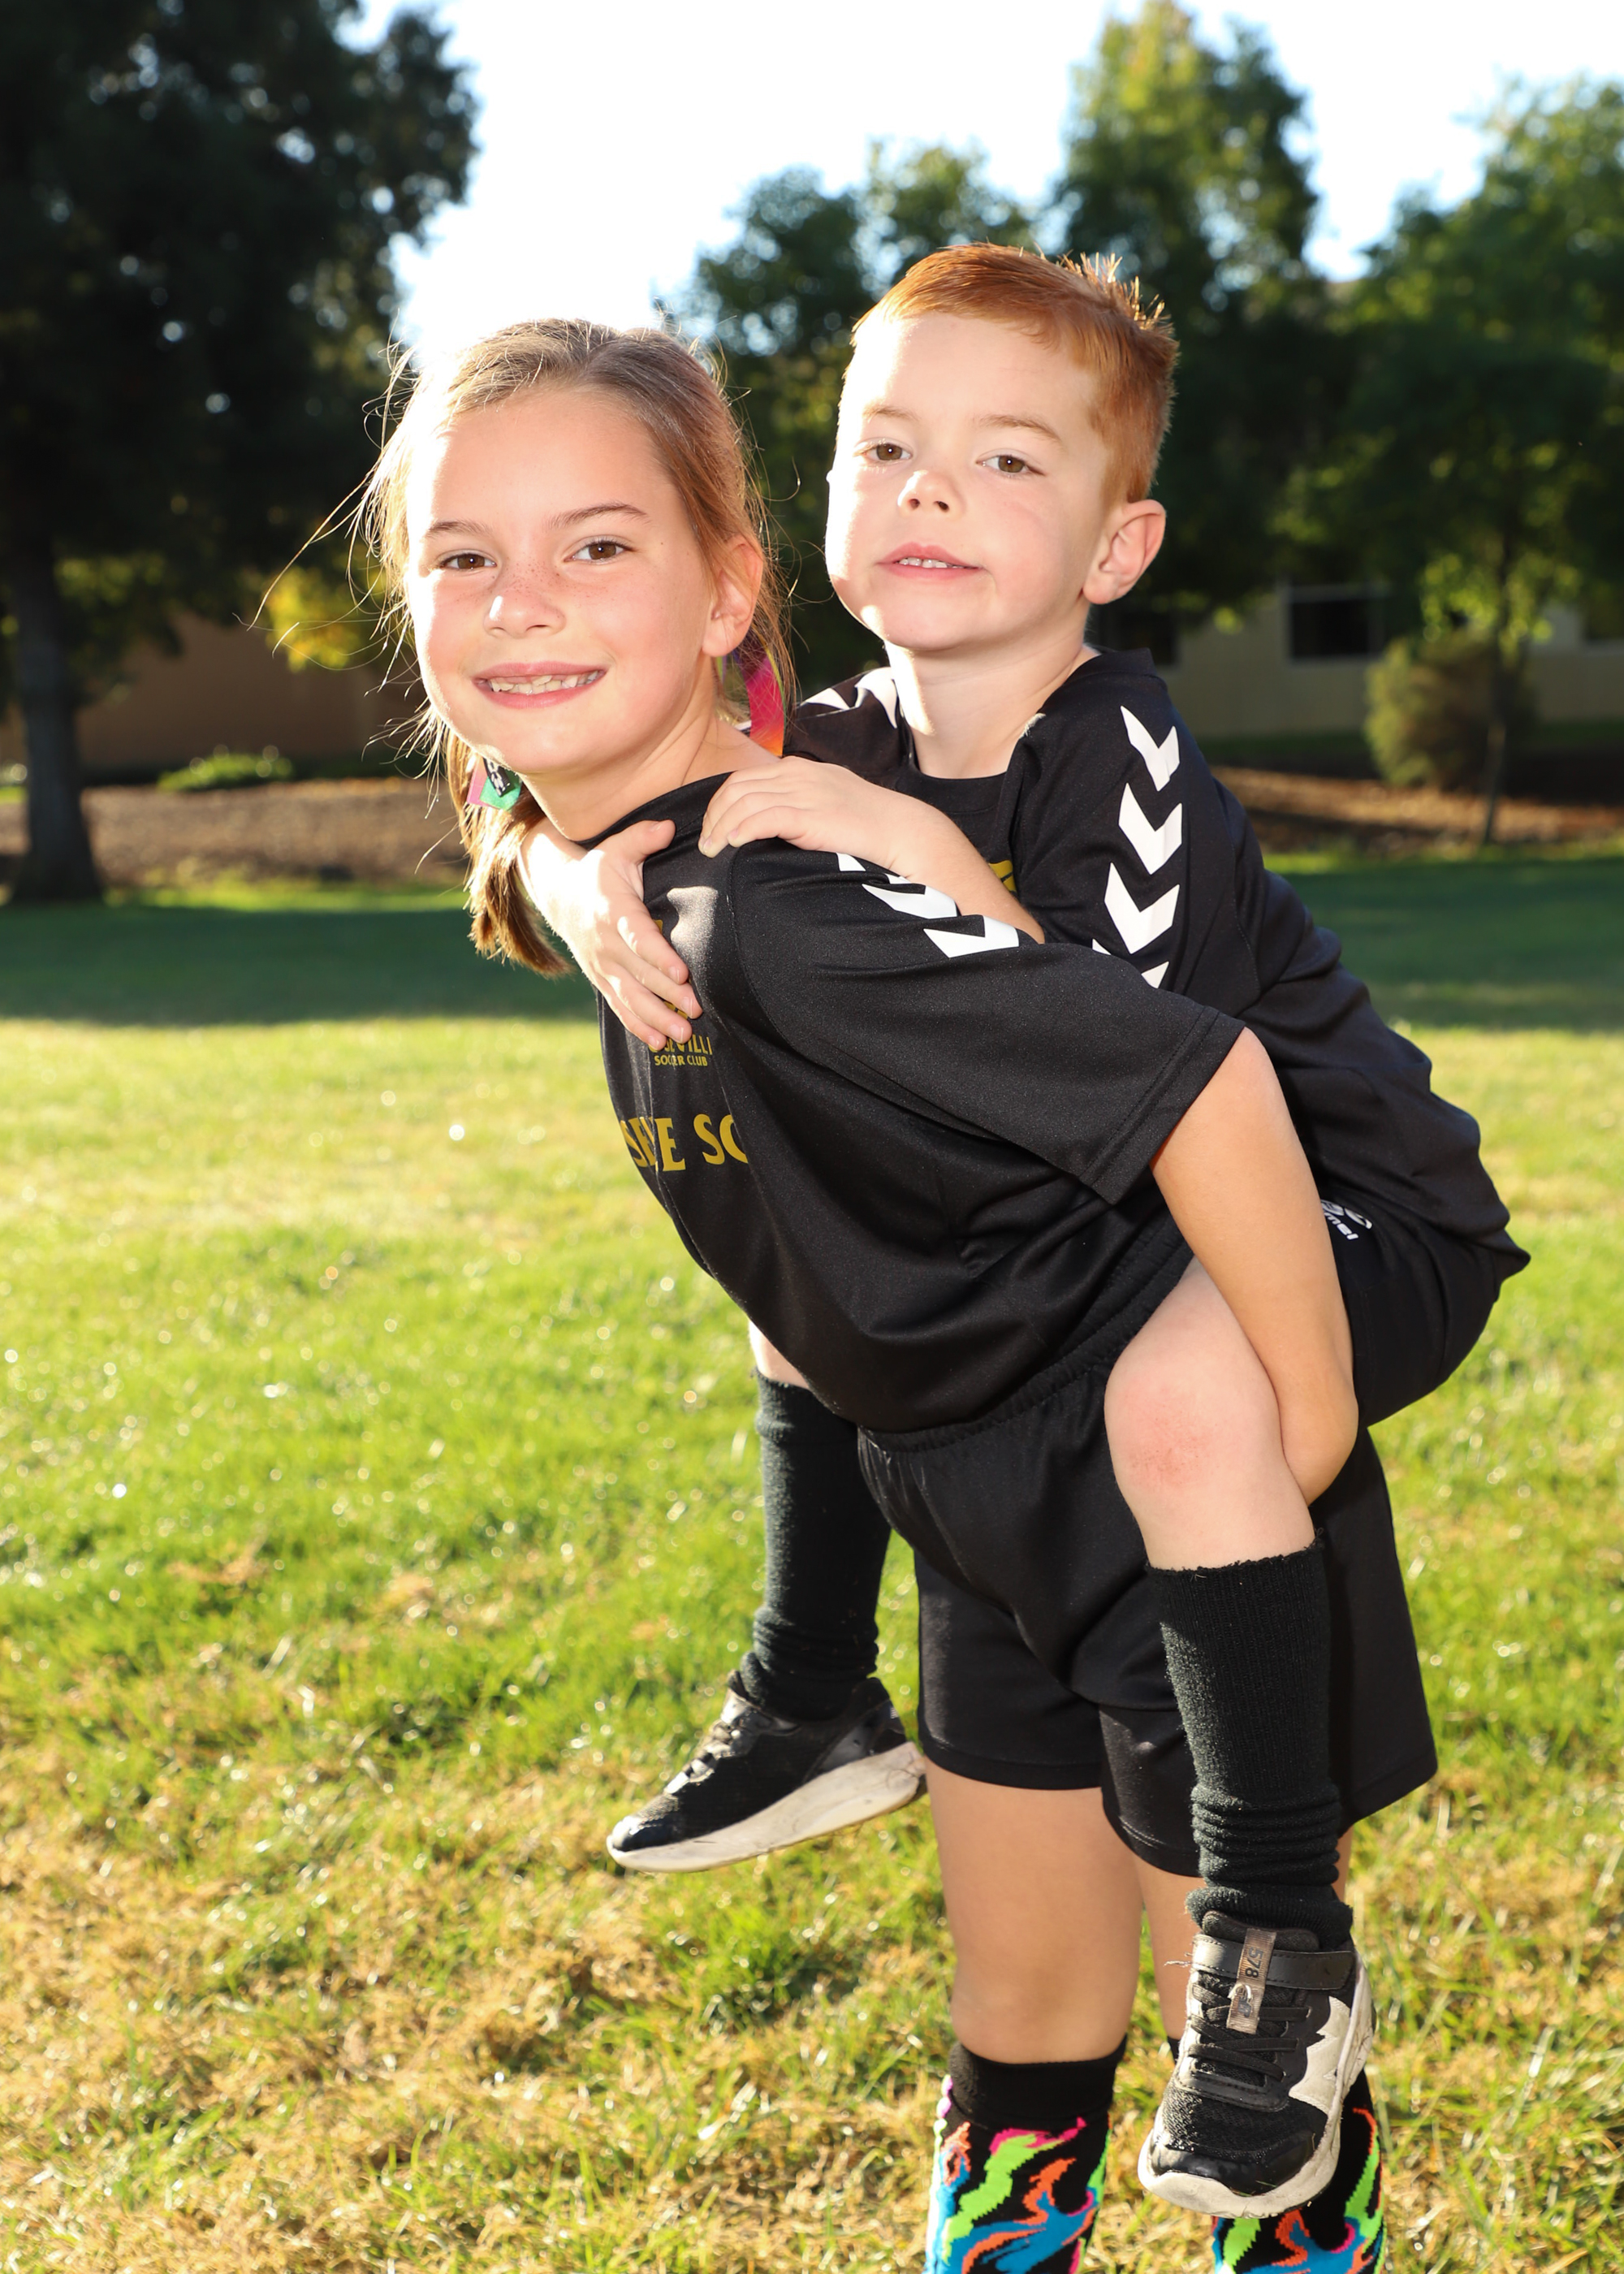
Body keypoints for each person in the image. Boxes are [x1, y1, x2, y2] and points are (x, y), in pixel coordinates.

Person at [357, 309, 1471, 2268]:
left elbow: (1180, 1065)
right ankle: (812, 1675)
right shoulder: (806, 765)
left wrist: (1290, 1415)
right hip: (975, 1444)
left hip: (1299, 1245)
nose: (523, 597)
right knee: (1022, 1997)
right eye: (464, 556)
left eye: (593, 543)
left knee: (1240, 2056)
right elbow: (560, 768)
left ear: (724, 590)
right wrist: (556, 871)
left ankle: (1276, 1925)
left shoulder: (1076, 761)